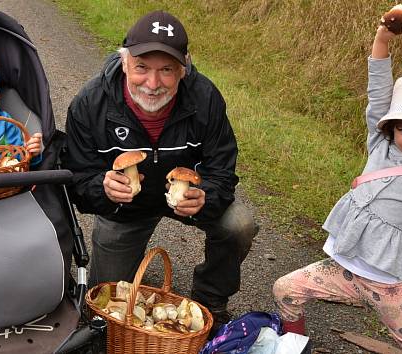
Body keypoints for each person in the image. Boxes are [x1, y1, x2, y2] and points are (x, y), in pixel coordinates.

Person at [271, 18, 402, 354]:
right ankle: (294, 346)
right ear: (391, 128)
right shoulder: (380, 145)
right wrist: (383, 39)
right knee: (285, 290)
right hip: (344, 269)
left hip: (390, 287)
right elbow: (378, 91)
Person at [62, 10, 258, 333]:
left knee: (239, 223)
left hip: (182, 199)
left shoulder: (205, 98)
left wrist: (205, 196)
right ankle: (133, 262)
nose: (153, 84)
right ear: (124, 63)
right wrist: (103, 188)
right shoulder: (91, 103)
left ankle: (210, 300)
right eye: (141, 68)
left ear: (184, 68)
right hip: (124, 209)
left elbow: (223, 170)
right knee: (105, 310)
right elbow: (77, 179)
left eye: (166, 70)